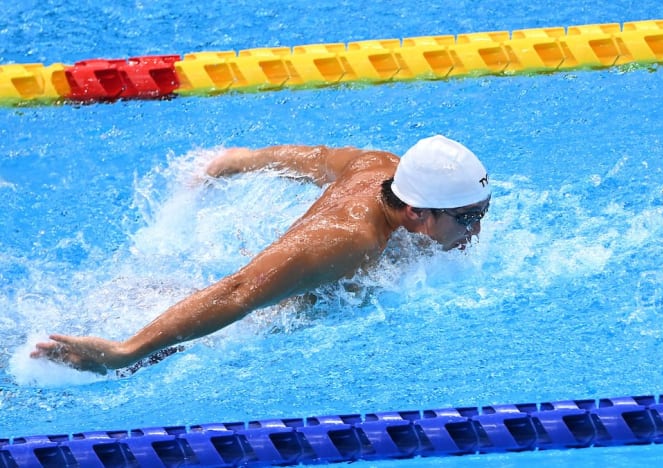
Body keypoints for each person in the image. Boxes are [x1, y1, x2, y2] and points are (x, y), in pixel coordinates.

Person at [31, 135, 491, 374]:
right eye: (468, 218)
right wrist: (124, 350)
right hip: (259, 317)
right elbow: (240, 292)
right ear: (416, 212)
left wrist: (236, 162)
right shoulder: (348, 241)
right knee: (169, 352)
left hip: (288, 273)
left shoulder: (384, 168)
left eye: (481, 215)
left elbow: (315, 158)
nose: (476, 231)